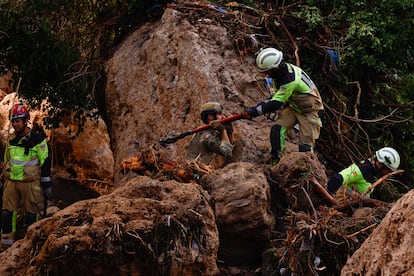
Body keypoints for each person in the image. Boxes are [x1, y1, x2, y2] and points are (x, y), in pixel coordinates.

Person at [243, 47, 324, 165]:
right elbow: (276, 97)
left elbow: (276, 103)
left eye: (268, 71)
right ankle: (277, 163)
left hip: (310, 111)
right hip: (294, 107)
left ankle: (307, 173)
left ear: (275, 67)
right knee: (277, 130)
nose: (267, 74)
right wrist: (257, 108)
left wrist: (253, 112)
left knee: (305, 148)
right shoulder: (280, 73)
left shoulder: (289, 79)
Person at [1, 103, 52, 250]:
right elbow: (7, 160)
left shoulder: (37, 139)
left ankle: (30, 246)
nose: (15, 124)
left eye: (18, 121)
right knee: (7, 215)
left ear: (25, 120)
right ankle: (6, 246)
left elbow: (45, 160)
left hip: (31, 183)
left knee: (31, 215)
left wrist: (46, 181)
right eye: (13, 121)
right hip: (11, 182)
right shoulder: (11, 140)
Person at [327, 147, 400, 202]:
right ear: (380, 164)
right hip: (344, 203)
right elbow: (339, 178)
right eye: (387, 170)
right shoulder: (362, 170)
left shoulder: (372, 172)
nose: (387, 174)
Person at [186, 102, 235, 169]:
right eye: (220, 114)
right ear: (210, 117)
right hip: (197, 172)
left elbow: (230, 146)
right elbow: (227, 152)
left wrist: (229, 132)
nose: (223, 117)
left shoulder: (210, 132)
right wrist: (223, 131)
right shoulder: (206, 137)